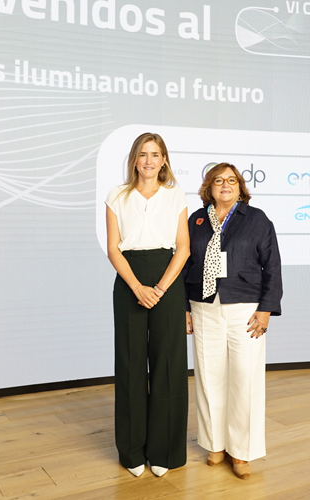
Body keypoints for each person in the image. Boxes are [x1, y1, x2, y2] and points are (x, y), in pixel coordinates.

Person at [183, 162, 282, 479]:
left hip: (246, 310)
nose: (225, 184)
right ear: (208, 188)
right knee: (210, 379)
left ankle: (242, 452)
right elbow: (185, 266)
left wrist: (266, 307)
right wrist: (184, 307)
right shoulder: (196, 221)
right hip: (203, 308)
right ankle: (215, 445)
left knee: (245, 379)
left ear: (240, 187)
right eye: (217, 180)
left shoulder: (256, 219)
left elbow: (273, 266)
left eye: (231, 180)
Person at [105, 132, 190, 478]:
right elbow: (113, 248)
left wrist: (158, 288)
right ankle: (132, 451)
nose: (149, 160)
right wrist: (138, 287)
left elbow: (182, 248)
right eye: (143, 154)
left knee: (168, 367)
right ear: (134, 160)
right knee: (130, 366)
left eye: (155, 154)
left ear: (164, 160)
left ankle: (164, 451)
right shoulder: (116, 196)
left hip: (167, 279)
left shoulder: (176, 196)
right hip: (130, 281)